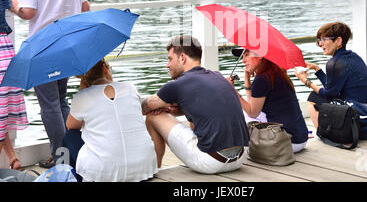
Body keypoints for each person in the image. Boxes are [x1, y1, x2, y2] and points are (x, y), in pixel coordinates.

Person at [9, 0, 91, 167]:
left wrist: (15, 7)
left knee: (49, 105)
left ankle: (60, 156)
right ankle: (73, 151)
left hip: (43, 47)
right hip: (69, 44)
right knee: (62, 100)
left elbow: (29, 13)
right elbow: (85, 8)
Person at [143, 35, 249, 174]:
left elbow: (144, 107)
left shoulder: (177, 85)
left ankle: (154, 171)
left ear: (182, 58)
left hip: (212, 162)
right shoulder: (218, 76)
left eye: (170, 59)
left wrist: (158, 107)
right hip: (239, 158)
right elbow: (201, 107)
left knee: (153, 117)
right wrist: (172, 109)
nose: (167, 65)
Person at [63, 58, 158, 182]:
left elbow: (71, 126)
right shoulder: (130, 88)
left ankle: (71, 178)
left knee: (69, 136)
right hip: (145, 169)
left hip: (104, 175)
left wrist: (83, 93)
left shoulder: (82, 97)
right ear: (105, 69)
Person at [294, 22, 367, 129]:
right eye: (319, 40)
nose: (320, 44)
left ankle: (323, 132)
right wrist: (317, 69)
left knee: (314, 97)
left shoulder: (335, 63)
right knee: (323, 96)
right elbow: (332, 89)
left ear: (338, 41)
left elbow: (329, 94)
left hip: (362, 118)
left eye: (324, 39)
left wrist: (305, 81)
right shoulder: (352, 56)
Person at [228, 48, 308, 153]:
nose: (243, 60)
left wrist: (232, 90)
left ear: (260, 55)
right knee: (244, 113)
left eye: (247, 55)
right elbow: (252, 105)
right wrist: (247, 79)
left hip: (285, 142)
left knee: (237, 114)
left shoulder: (262, 79)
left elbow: (253, 113)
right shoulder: (276, 73)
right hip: (300, 138)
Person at [0, 0, 28, 170]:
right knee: (2, 111)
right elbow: (19, 11)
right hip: (5, 55)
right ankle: (13, 158)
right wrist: (14, 2)